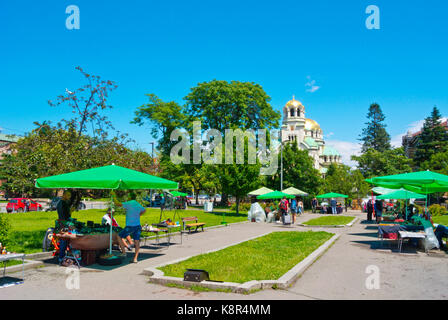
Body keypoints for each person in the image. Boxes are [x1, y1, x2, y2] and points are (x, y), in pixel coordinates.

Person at [113, 191, 146, 263]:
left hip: (130, 226)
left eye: (128, 196)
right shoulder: (137, 204)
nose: (127, 197)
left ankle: (124, 253)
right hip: (137, 226)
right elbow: (144, 210)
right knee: (136, 241)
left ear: (130, 197)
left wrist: (114, 195)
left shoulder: (129, 203)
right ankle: (135, 259)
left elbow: (117, 203)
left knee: (119, 236)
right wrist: (138, 215)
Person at [56, 190, 75, 264]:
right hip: (64, 224)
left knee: (64, 240)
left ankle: (63, 256)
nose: (69, 197)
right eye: (68, 195)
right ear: (64, 195)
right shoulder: (63, 204)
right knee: (64, 240)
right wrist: (71, 211)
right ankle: (61, 258)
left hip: (62, 223)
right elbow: (66, 215)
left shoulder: (60, 203)